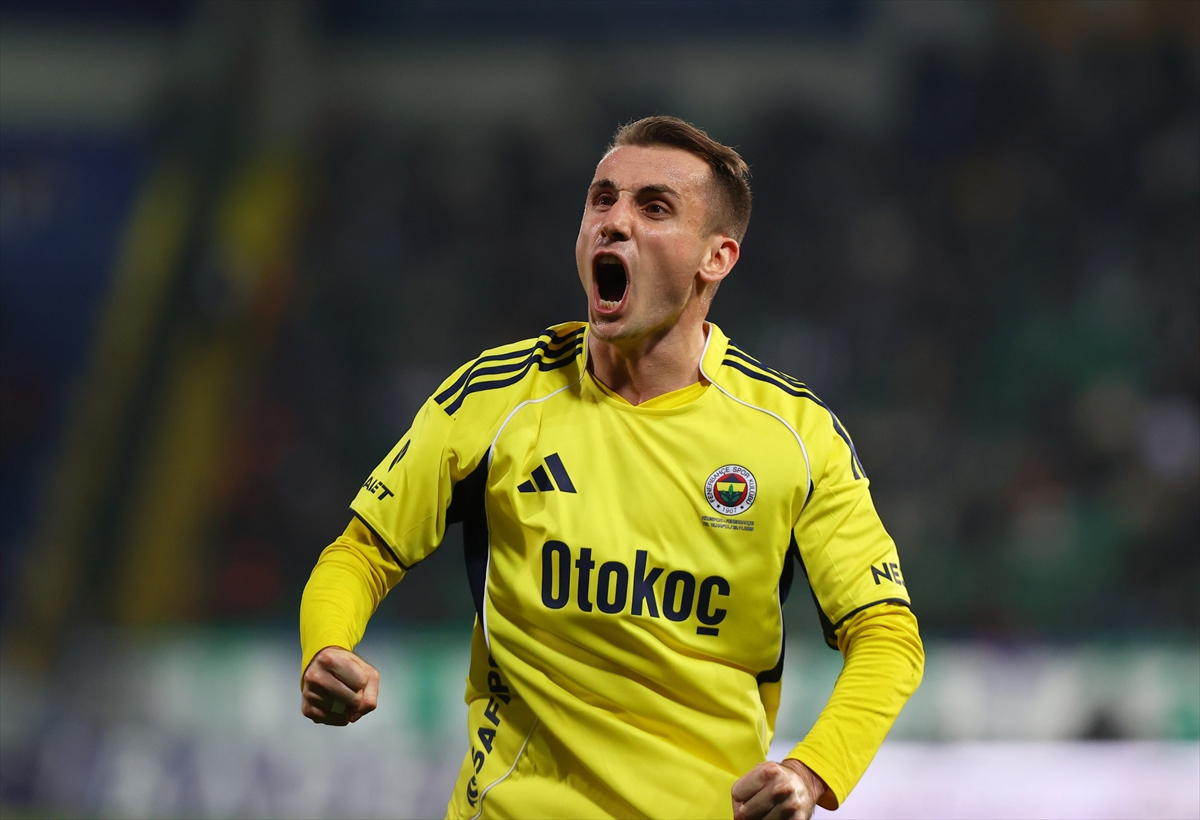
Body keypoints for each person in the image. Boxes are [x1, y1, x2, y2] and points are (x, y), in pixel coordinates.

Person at [299, 116, 924, 820]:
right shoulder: (495, 397)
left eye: (653, 207)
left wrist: (812, 772)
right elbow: (362, 551)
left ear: (716, 257)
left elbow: (887, 636)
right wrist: (326, 646)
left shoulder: (795, 435)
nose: (614, 221)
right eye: (602, 199)